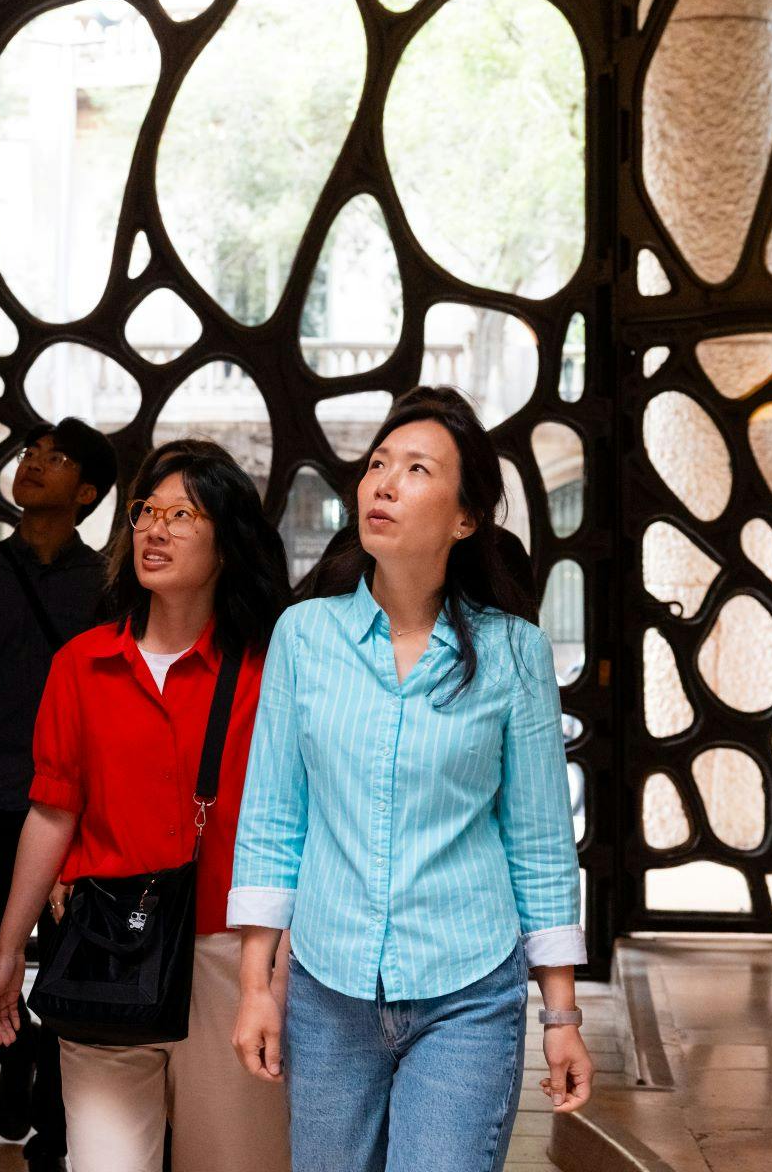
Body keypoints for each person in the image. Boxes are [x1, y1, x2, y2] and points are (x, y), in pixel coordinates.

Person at [229, 386, 592, 1172]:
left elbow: (538, 841)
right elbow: (271, 818)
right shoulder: (305, 634)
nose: (384, 484)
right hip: (328, 990)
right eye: (378, 465)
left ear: (465, 518)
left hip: (466, 987)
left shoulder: (513, 652)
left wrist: (560, 1015)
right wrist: (258, 985)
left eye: (417, 469)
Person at [0, 439, 294, 1172]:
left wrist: (280, 969)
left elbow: (299, 821)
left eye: (181, 514)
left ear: (228, 540)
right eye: (146, 511)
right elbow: (51, 813)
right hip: (106, 951)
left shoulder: (270, 668)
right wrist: (6, 952)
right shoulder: (82, 665)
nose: (155, 529)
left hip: (231, 954)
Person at [0, 418, 116, 1172]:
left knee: (73, 964)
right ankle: (22, 1052)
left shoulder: (108, 579)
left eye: (56, 458)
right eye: (29, 453)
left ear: (87, 493)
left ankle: (51, 1108)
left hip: (78, 805)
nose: (34, 463)